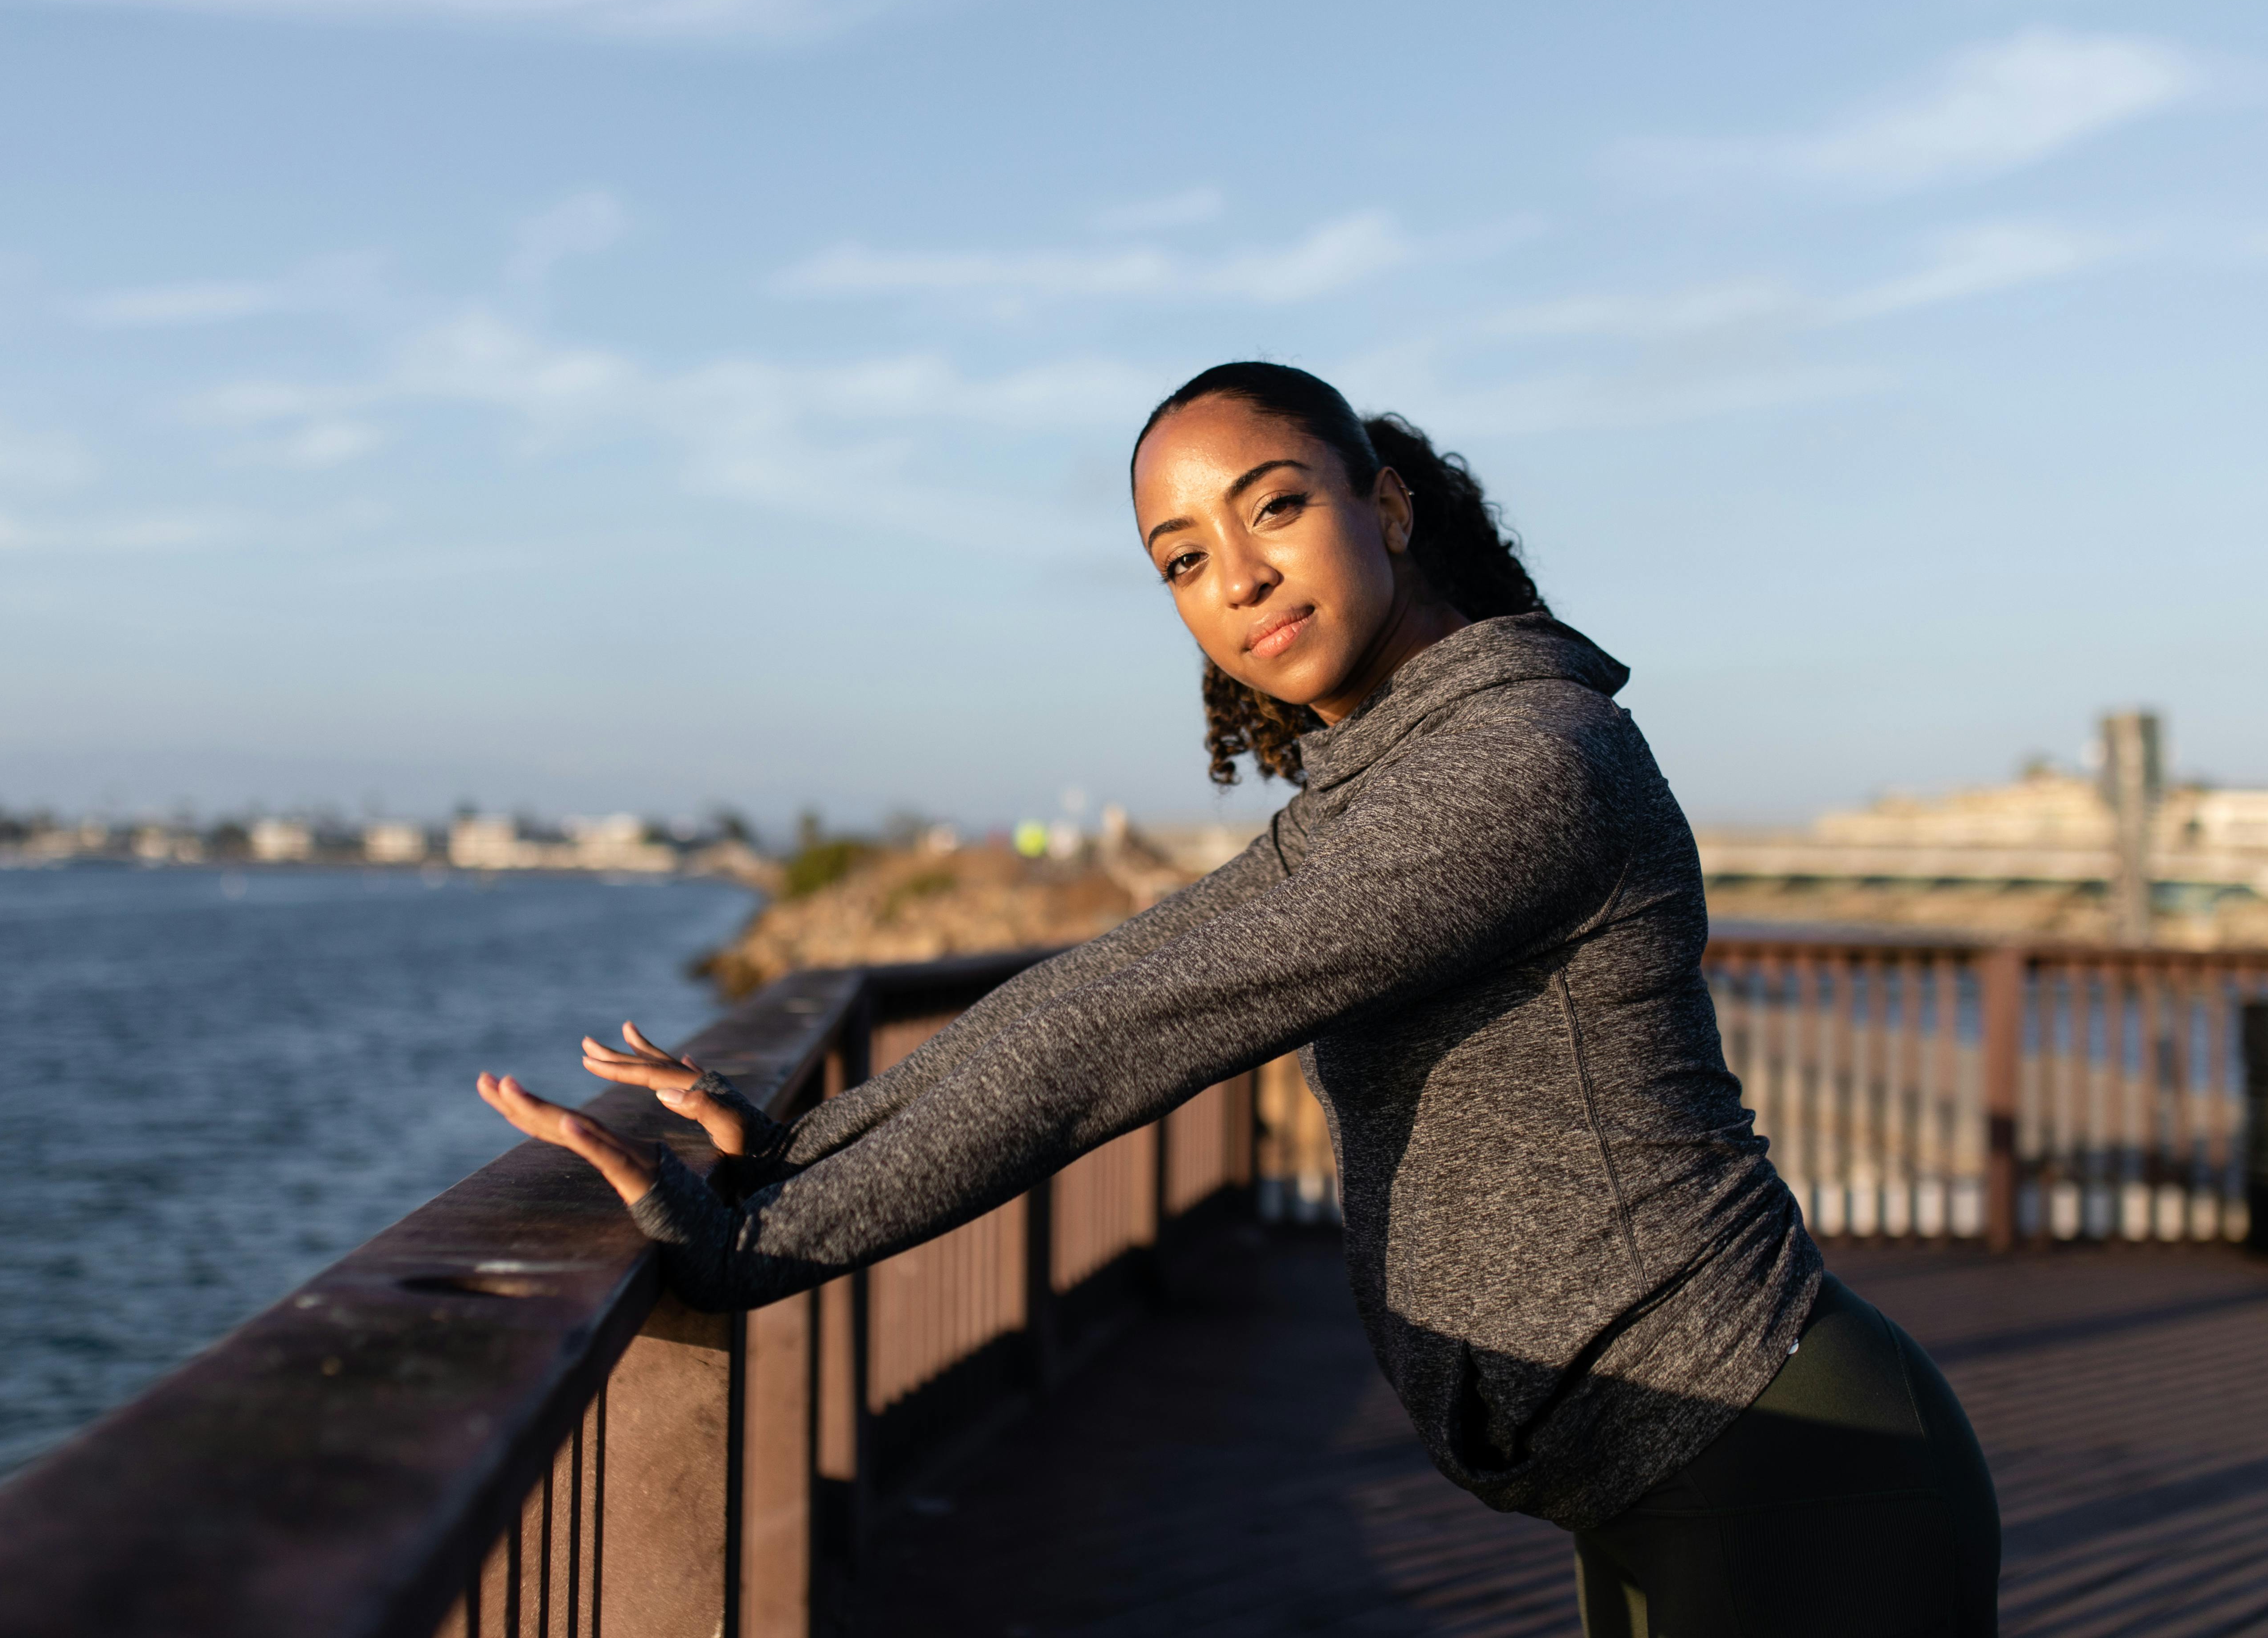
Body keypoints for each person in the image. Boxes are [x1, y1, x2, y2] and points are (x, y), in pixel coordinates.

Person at [478, 361, 2000, 1636]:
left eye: (1273, 504)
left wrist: (759, 1241)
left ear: (1386, 507)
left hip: (1774, 1457)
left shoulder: (1521, 762)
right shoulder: (1389, 776)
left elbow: (1135, 1025)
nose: (1239, 575)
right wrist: (796, 1146)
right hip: (1667, 1460)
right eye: (1183, 557)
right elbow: (1112, 982)